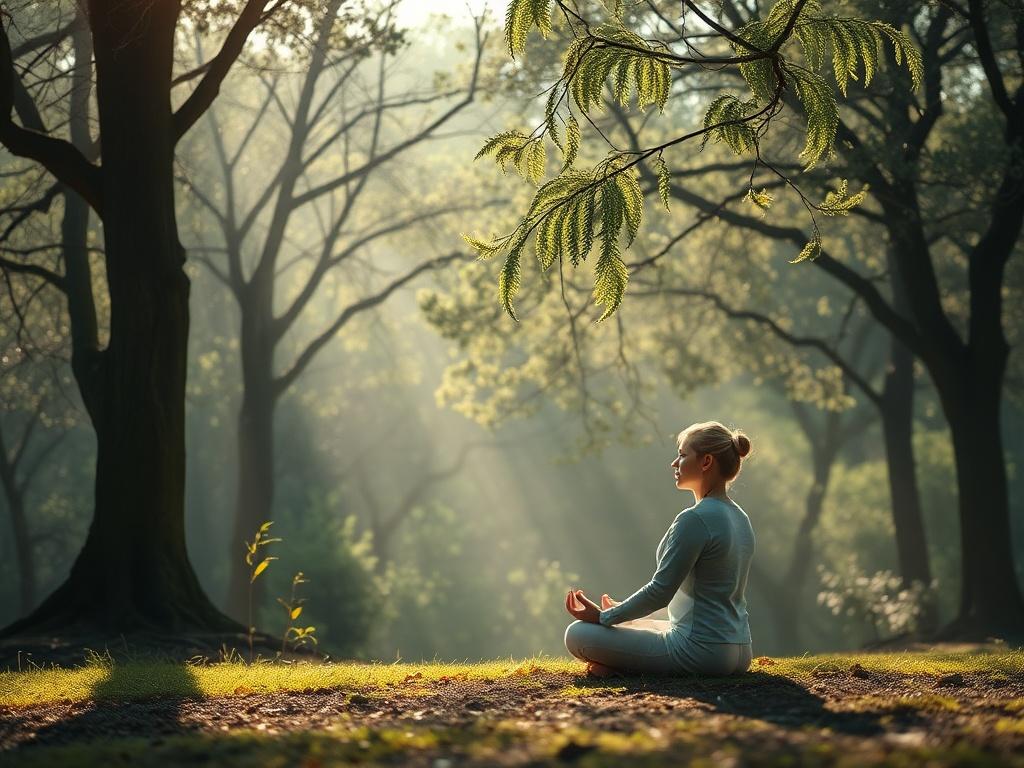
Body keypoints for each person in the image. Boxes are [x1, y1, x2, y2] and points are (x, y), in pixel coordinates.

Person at [563, 421, 755, 677]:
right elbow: (703, 599)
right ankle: (624, 662)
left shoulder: (695, 519)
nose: (674, 463)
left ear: (706, 461)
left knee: (577, 634)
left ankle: (623, 669)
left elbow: (660, 592)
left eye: (683, 455)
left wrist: (602, 618)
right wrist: (622, 611)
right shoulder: (740, 518)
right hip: (739, 651)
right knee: (640, 624)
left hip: (701, 653)